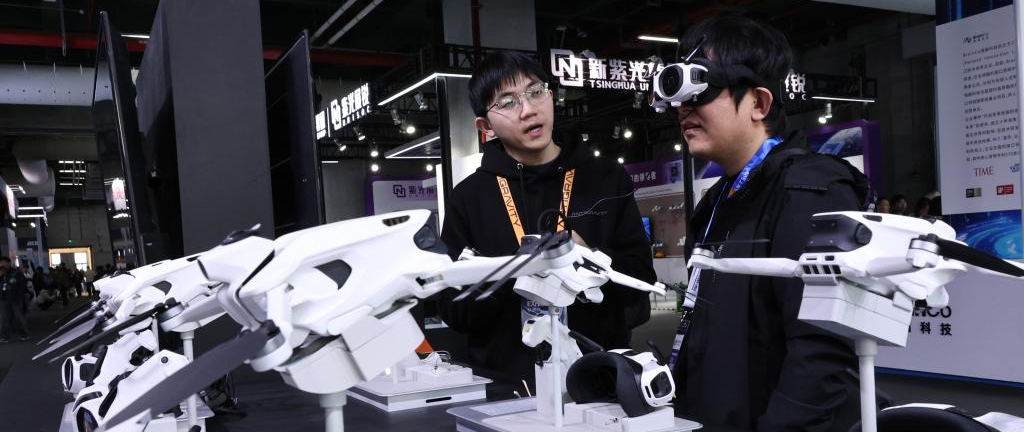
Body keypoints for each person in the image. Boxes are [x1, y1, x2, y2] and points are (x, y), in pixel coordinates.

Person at [669, 16, 869, 432]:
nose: (683, 107)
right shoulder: (717, 202)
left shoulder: (812, 191)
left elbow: (823, 350)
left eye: (701, 88)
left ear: (759, 104)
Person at [438, 50, 656, 380]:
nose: (528, 109)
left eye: (535, 91)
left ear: (551, 96)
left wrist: (592, 260)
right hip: (509, 385)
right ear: (486, 126)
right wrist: (511, 275)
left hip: (598, 380)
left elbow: (641, 283)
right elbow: (452, 310)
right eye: (508, 102)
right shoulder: (469, 198)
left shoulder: (606, 178)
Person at [0, 257, 30, 342]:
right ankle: (4, 336)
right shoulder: (2, 274)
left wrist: (18, 295)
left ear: (9, 263)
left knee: (18, 318)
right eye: (1, 263)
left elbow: (23, 285)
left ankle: (24, 335)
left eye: (3, 263)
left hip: (15, 299)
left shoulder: (17, 273)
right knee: (4, 318)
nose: (2, 265)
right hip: (4, 299)